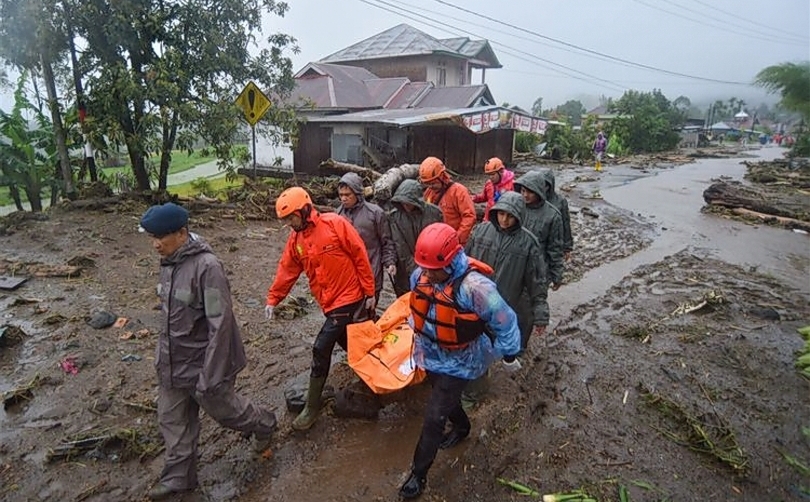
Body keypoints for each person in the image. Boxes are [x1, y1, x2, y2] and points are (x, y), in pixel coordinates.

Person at [139, 202, 278, 501]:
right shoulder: (168, 263)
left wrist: (212, 373)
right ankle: (179, 478)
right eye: (152, 237)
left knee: (229, 414)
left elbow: (220, 322)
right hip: (172, 365)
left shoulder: (207, 268)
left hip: (203, 365)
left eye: (160, 237)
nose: (155, 245)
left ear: (181, 232)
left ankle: (265, 424)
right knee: (173, 422)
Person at [399, 223, 521, 499]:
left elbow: (505, 320)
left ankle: (418, 475)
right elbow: (418, 304)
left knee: (433, 416)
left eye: (433, 268)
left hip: (461, 359)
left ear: (451, 258)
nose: (427, 273)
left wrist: (510, 353)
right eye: (424, 267)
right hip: (429, 352)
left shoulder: (475, 287)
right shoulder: (421, 275)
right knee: (443, 400)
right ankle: (463, 427)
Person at [265, 187, 376, 431]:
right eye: (286, 221)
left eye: (291, 218)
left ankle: (311, 408)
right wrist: (273, 299)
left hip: (349, 297)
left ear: (304, 210)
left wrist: (369, 292)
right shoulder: (296, 241)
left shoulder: (335, 224)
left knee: (321, 347)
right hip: (329, 302)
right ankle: (375, 379)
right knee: (350, 343)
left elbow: (360, 255)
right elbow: (287, 271)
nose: (290, 224)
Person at [465, 192, 549, 351]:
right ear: (495, 212)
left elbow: (537, 281)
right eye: (501, 214)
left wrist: (541, 315)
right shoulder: (481, 231)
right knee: (477, 335)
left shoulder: (528, 243)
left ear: (519, 216)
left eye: (510, 216)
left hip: (506, 301)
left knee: (505, 333)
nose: (504, 220)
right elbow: (465, 263)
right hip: (477, 299)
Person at [336, 172, 397, 302]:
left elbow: (386, 241)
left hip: (372, 271)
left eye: (347, 195)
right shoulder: (337, 215)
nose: (343, 199)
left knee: (368, 313)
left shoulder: (375, 213)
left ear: (357, 194)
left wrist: (390, 262)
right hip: (347, 276)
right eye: (341, 195)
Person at [387, 179, 444, 297]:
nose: (405, 205)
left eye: (408, 202)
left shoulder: (434, 213)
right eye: (402, 202)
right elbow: (399, 246)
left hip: (431, 265)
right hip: (404, 270)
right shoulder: (395, 217)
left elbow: (440, 239)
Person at [515, 171, 565, 291]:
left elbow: (555, 248)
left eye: (530, 192)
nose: (525, 195)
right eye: (522, 191)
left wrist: (557, 275)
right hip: (515, 265)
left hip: (537, 268)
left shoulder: (552, 215)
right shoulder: (516, 208)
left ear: (539, 191)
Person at [419, 156, 477, 245]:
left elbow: (469, 216)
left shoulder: (458, 191)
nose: (430, 186)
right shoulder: (429, 193)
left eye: (433, 183)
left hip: (455, 242)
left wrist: (457, 238)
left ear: (442, 176)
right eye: (428, 184)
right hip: (436, 241)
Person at [540, 169, 574, 261]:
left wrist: (567, 247)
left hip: (555, 241)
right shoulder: (536, 199)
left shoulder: (560, 201)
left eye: (546, 184)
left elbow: (565, 223)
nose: (544, 187)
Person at [471, 157, 515, 221]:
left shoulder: (512, 185)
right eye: (488, 175)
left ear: (501, 171)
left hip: (503, 221)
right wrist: (474, 198)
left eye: (493, 174)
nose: (490, 177)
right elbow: (484, 197)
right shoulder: (489, 184)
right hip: (488, 219)